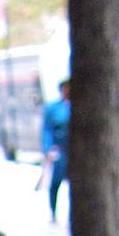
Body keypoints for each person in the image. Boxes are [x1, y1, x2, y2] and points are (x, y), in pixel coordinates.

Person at [41, 79, 71, 221]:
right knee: (56, 181)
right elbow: (47, 130)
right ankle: (53, 210)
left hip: (73, 149)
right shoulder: (53, 108)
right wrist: (48, 148)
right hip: (59, 149)